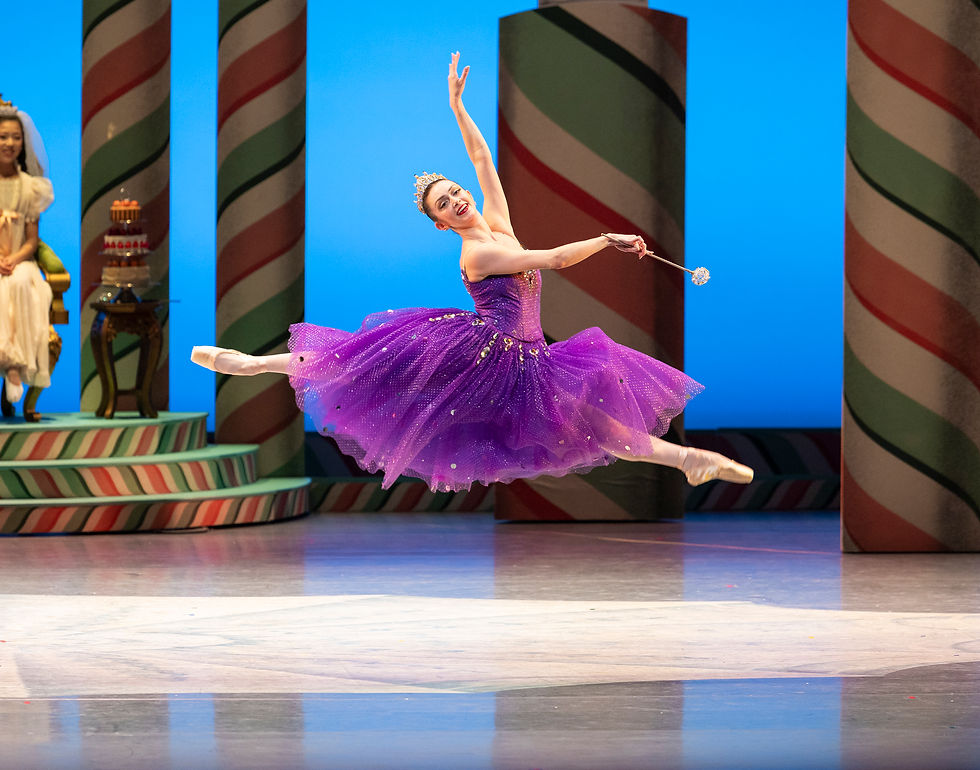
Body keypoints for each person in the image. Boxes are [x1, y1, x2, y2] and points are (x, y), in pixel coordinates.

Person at [192, 53, 753, 492]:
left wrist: (458, 108)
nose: (458, 201)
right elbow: (554, 259)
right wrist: (606, 239)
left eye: (455, 192)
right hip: (483, 356)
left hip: (532, 357)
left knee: (598, 428)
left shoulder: (499, 224)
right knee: (360, 363)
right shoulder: (477, 255)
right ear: (440, 225)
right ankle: (253, 362)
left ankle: (687, 461)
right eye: (445, 205)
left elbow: (484, 161)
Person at [0, 97, 54, 408]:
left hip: (18, 259)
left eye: (15, 137)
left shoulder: (30, 187)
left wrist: (15, 259)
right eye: (3, 136)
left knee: (20, 283)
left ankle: (14, 366)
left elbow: (32, 240)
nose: (10, 143)